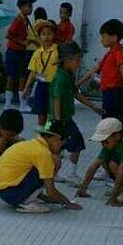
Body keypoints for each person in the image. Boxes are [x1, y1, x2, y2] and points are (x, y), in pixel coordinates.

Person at [0, 120, 83, 213]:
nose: (60, 150)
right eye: (61, 146)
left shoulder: (33, 144)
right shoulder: (43, 153)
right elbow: (50, 191)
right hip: (12, 194)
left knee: (47, 164)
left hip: (4, 191)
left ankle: (33, 196)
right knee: (52, 163)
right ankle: (26, 202)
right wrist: (67, 203)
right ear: (56, 138)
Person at [50, 40, 103, 185]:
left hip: (62, 118)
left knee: (59, 147)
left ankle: (55, 173)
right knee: (76, 144)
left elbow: (75, 93)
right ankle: (71, 174)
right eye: (77, 60)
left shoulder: (68, 75)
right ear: (66, 60)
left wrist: (93, 106)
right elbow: (57, 99)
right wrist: (58, 121)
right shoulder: (60, 77)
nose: (79, 63)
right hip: (60, 120)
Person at [76, 117, 123, 207]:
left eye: (105, 141)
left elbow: (121, 171)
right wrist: (83, 188)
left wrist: (113, 197)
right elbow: (94, 166)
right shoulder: (110, 145)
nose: (103, 145)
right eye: (102, 142)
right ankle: (122, 188)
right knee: (104, 161)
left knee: (112, 164)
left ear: (117, 136)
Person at [77, 19, 123, 132]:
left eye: (103, 36)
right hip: (108, 95)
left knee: (113, 126)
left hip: (116, 95)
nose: (101, 39)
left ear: (114, 38)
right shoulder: (109, 54)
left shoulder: (119, 54)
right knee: (107, 125)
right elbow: (94, 70)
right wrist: (77, 83)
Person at [21, 20, 58, 126]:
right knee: (41, 113)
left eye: (49, 34)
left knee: (53, 113)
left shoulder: (58, 51)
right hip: (41, 85)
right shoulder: (37, 53)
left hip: (55, 85)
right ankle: (41, 132)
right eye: (43, 34)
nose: (46, 37)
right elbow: (33, 72)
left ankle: (51, 131)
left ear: (54, 35)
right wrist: (26, 88)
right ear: (39, 36)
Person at [4, 0, 35, 110]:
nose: (31, 8)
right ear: (21, 7)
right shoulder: (18, 20)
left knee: (21, 76)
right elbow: (8, 35)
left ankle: (19, 104)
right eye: (29, 6)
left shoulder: (25, 20)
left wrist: (29, 41)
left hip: (20, 51)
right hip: (14, 51)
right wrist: (22, 42)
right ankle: (11, 104)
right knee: (14, 77)